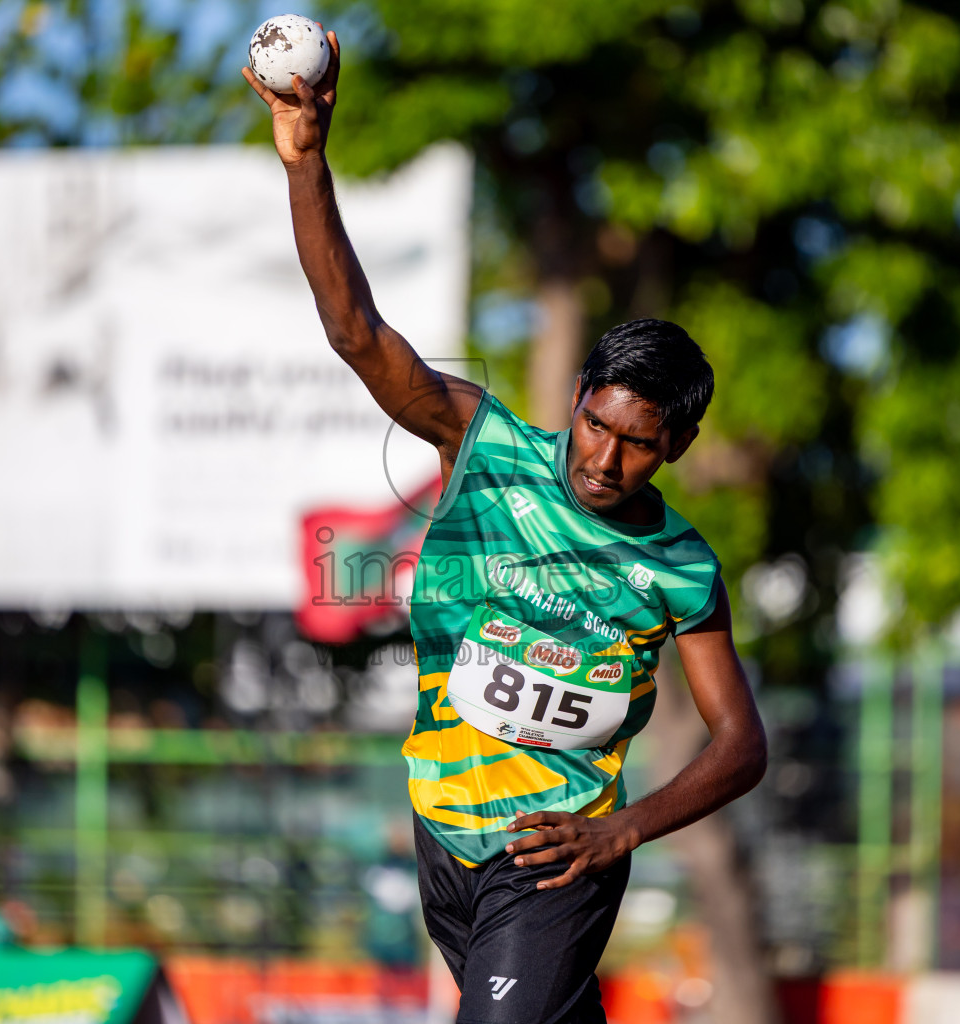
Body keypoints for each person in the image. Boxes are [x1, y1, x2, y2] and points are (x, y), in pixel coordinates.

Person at [245, 32, 767, 1024]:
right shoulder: (483, 443)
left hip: (554, 855)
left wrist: (616, 835)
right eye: (597, 424)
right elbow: (356, 332)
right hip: (441, 823)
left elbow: (741, 744)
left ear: (681, 444)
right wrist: (306, 162)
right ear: (575, 398)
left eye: (639, 445)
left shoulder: (680, 568)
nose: (605, 459)